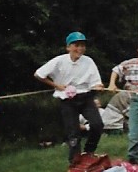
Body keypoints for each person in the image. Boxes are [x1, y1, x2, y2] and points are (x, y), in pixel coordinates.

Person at [34, 31, 105, 163]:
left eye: (82, 45)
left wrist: (98, 86)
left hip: (85, 97)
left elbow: (95, 82)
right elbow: (38, 74)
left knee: (97, 124)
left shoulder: (89, 61)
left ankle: (89, 152)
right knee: (73, 133)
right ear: (68, 47)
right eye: (76, 45)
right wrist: (56, 85)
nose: (80, 48)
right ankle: (74, 162)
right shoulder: (59, 61)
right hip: (67, 100)